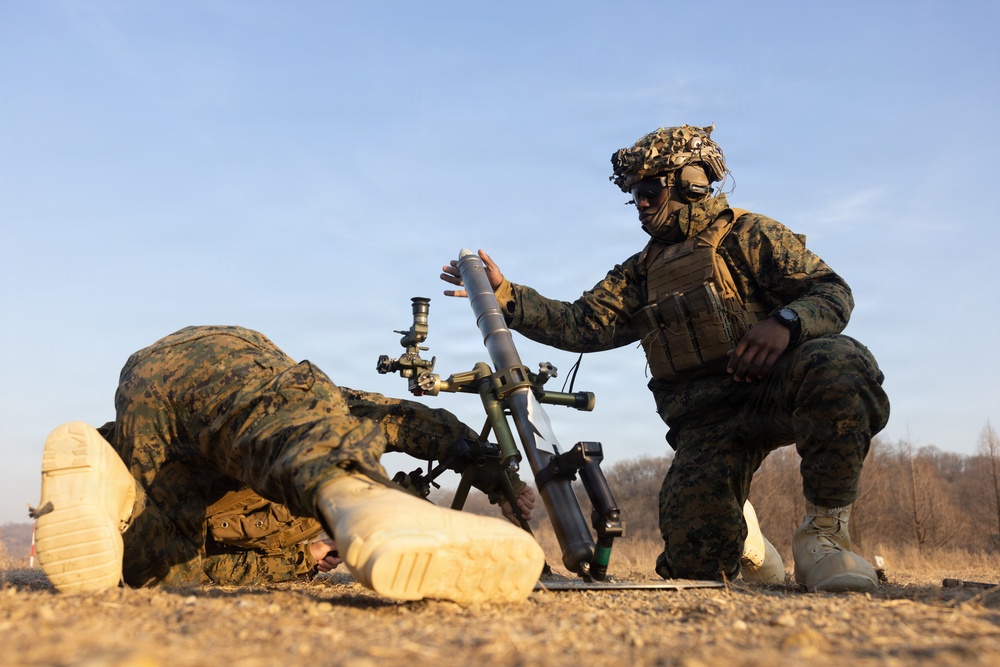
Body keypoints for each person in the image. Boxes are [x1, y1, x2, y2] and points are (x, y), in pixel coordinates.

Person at [441, 125, 890, 592]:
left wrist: (786, 322)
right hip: (706, 423)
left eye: (650, 191)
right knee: (697, 564)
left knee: (839, 363)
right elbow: (581, 323)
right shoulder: (641, 272)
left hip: (776, 388)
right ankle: (749, 541)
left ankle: (824, 537)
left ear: (690, 183)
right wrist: (506, 295)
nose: (640, 203)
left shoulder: (751, 234)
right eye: (634, 195)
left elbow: (831, 291)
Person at [33, 325, 544, 602]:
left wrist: (305, 559)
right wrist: (498, 476)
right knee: (279, 423)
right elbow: (400, 418)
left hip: (155, 436)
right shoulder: (308, 430)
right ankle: (351, 490)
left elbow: (209, 568)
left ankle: (112, 494)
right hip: (212, 362)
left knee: (168, 573)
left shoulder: (297, 549)